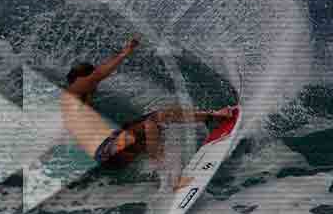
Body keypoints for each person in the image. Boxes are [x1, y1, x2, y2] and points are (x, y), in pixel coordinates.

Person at [60, 35, 235, 190]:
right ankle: (170, 179)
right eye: (90, 79)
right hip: (105, 150)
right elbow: (97, 75)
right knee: (150, 126)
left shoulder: (82, 98)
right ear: (78, 80)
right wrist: (125, 52)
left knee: (160, 117)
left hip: (113, 143)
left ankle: (211, 117)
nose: (94, 83)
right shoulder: (71, 95)